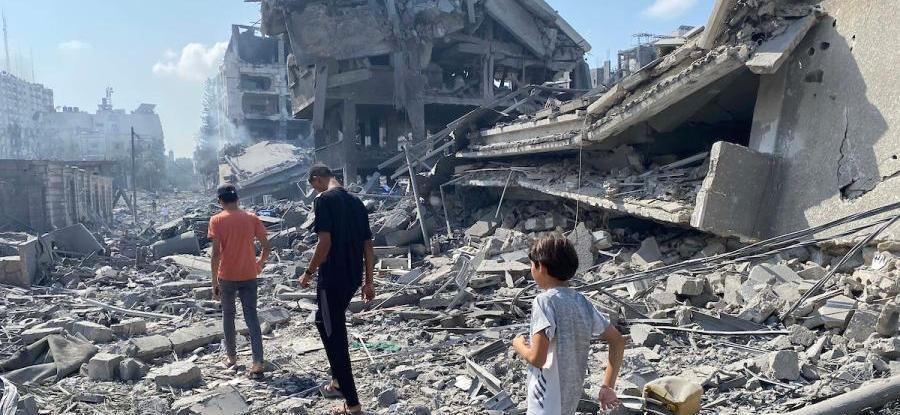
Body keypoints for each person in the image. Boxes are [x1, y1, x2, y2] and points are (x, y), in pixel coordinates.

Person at [512, 234, 625, 414]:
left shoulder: (544, 301)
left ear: (541, 267)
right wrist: (607, 386)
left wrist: (519, 345)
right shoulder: (582, 302)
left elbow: (538, 359)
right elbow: (617, 341)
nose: (531, 269)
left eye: (532, 265)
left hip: (545, 403)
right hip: (570, 400)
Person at [300, 164, 376, 415]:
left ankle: (352, 403)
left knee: (335, 337)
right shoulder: (357, 202)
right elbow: (368, 246)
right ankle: (336, 381)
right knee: (324, 321)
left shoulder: (324, 200)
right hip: (352, 277)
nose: (315, 191)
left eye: (313, 186)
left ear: (317, 179)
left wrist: (308, 272)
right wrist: (369, 281)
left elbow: (324, 243)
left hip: (332, 278)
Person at [208, 184, 271, 377]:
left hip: (226, 276)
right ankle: (258, 361)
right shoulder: (251, 218)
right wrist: (259, 264)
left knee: (228, 316)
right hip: (249, 275)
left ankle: (232, 357)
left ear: (220, 201)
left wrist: (214, 281)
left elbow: (215, 254)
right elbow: (267, 246)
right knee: (251, 316)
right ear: (237, 199)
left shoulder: (216, 220)